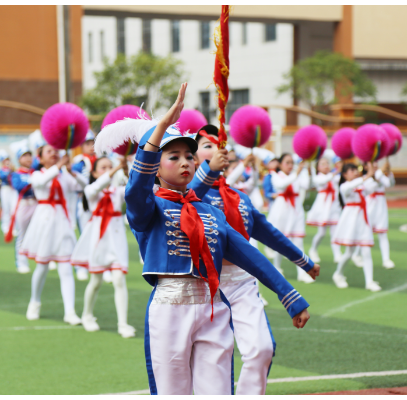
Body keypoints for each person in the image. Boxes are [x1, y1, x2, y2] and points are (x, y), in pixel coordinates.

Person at [103, 83, 310, 395]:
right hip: (170, 307)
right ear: (156, 169)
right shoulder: (150, 208)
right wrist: (161, 127)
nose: (186, 161)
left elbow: (248, 255)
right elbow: (135, 190)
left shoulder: (210, 213)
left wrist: (290, 296)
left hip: (214, 306)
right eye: (174, 156)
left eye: (190, 155)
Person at [190, 124, 320, 395]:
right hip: (204, 288)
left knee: (262, 350)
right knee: (211, 366)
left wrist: (304, 262)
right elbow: (188, 197)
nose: (216, 150)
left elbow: (269, 234)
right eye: (207, 146)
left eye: (220, 145)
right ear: (193, 158)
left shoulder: (240, 198)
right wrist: (208, 170)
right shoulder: (188, 196)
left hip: (242, 281)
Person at [71, 157, 135, 336]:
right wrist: (115, 170)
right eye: (103, 167)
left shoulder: (118, 191)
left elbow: (135, 189)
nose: (107, 170)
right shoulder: (91, 190)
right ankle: (87, 315)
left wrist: (126, 170)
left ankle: (123, 324)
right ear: (94, 173)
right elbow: (96, 187)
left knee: (119, 280)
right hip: (98, 241)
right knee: (96, 282)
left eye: (109, 166)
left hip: (116, 240)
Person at [21, 144, 83, 325]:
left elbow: (83, 185)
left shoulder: (63, 175)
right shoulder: (37, 174)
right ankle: (34, 302)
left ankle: (70, 311)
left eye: (55, 151)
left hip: (62, 223)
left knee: (66, 268)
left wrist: (71, 171)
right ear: (40, 158)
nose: (54, 154)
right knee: (42, 267)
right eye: (49, 152)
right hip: (44, 221)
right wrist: (59, 167)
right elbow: (40, 183)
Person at [331, 163, 382, 292]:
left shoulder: (361, 185)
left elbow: (375, 186)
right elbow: (351, 186)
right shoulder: (344, 186)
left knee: (366, 250)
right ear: (344, 174)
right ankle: (338, 274)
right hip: (350, 222)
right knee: (349, 252)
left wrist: (375, 173)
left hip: (363, 221)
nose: (355, 172)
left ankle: (369, 281)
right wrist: (367, 176)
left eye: (355, 170)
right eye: (351, 170)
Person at [267, 153, 314, 283]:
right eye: (287, 162)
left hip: (296, 211)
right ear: (280, 164)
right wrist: (297, 173)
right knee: (280, 242)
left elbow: (307, 185)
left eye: (291, 163)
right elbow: (281, 185)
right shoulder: (276, 176)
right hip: (282, 211)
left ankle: (302, 272)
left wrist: (308, 171)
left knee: (298, 242)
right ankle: (277, 267)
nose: (290, 165)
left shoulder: (297, 176)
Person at [72, 129, 98, 282]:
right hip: (83, 201)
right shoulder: (79, 162)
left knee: (99, 234)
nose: (91, 146)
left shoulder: (102, 160)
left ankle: (97, 265)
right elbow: (75, 182)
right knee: (84, 234)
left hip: (100, 201)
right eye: (87, 143)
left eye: (93, 143)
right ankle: (81, 267)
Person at [306, 157, 343, 263]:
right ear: (317, 167)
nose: (326, 165)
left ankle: (337, 254)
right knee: (321, 233)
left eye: (327, 163)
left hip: (334, 207)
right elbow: (323, 180)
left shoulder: (334, 177)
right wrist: (336, 172)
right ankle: (313, 249)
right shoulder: (318, 177)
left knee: (335, 232)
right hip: (323, 207)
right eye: (322, 164)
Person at [9, 144, 37, 274]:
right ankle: (21, 262)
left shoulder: (35, 172)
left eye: (29, 155)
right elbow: (19, 186)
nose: (28, 158)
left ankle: (43, 259)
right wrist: (34, 181)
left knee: (40, 233)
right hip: (24, 205)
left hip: (37, 204)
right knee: (23, 235)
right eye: (24, 156)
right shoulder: (17, 174)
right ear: (19, 159)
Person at [0, 151, 17, 235]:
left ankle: (13, 227)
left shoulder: (13, 168)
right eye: (5, 160)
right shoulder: (1, 170)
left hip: (13, 189)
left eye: (8, 159)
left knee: (13, 208)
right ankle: (5, 226)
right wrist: (10, 170)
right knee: (6, 208)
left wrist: (13, 170)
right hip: (5, 188)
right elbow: (3, 176)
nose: (7, 161)